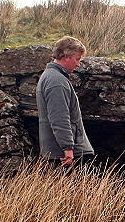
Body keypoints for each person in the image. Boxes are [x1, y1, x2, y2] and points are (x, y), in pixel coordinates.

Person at [35, 36, 94, 166]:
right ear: (66, 56)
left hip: (56, 152)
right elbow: (59, 117)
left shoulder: (50, 77)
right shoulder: (56, 81)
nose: (78, 64)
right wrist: (68, 148)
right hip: (64, 155)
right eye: (77, 59)